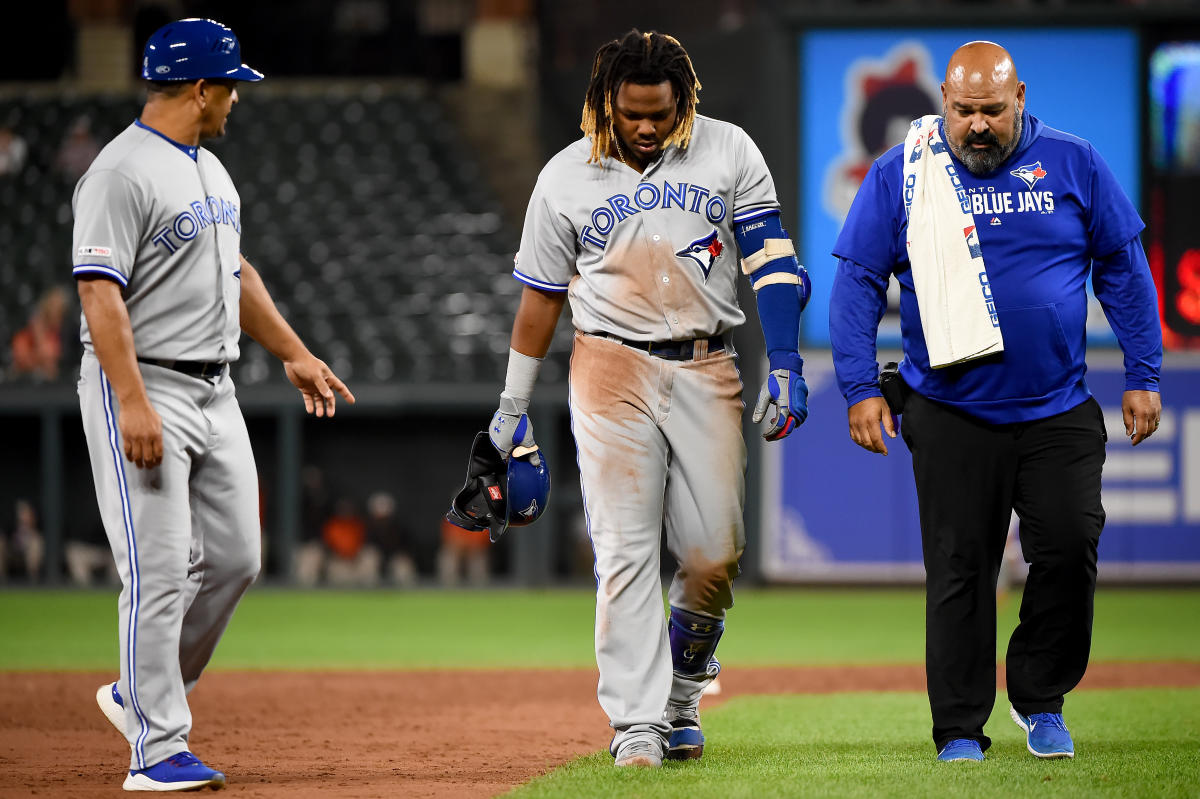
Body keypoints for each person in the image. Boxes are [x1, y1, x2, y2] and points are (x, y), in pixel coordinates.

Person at [829, 41, 1162, 763]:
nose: (977, 125)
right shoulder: (905, 171)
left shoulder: (1074, 162)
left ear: (1020, 100)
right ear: (943, 102)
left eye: (991, 110)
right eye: (963, 110)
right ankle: (957, 727)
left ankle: (1040, 695)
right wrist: (857, 386)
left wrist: (1144, 371)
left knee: (1070, 547)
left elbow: (1125, 269)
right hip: (948, 408)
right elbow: (857, 280)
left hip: (1056, 407)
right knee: (959, 568)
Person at [488, 29, 810, 767]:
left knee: (713, 553)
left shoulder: (728, 150)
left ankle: (683, 692)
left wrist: (787, 361)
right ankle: (636, 721)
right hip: (608, 367)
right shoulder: (564, 176)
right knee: (624, 550)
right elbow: (539, 301)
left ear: (681, 101)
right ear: (605, 103)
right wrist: (511, 407)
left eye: (659, 112)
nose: (645, 125)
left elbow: (774, 262)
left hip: (707, 365)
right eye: (631, 112)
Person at [73, 18, 354, 791]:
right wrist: (130, 399)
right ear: (200, 88)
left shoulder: (211, 172)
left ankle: (140, 691)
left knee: (236, 557)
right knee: (158, 568)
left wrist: (293, 350)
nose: (237, 98)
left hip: (215, 384)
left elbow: (237, 274)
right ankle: (156, 750)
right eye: (231, 85)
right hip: (144, 380)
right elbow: (98, 290)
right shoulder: (119, 172)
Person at [10, 285, 68, 380]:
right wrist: (39, 334)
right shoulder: (22, 338)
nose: (58, 315)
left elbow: (51, 365)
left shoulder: (57, 336)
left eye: (60, 311)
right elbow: (22, 360)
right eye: (54, 308)